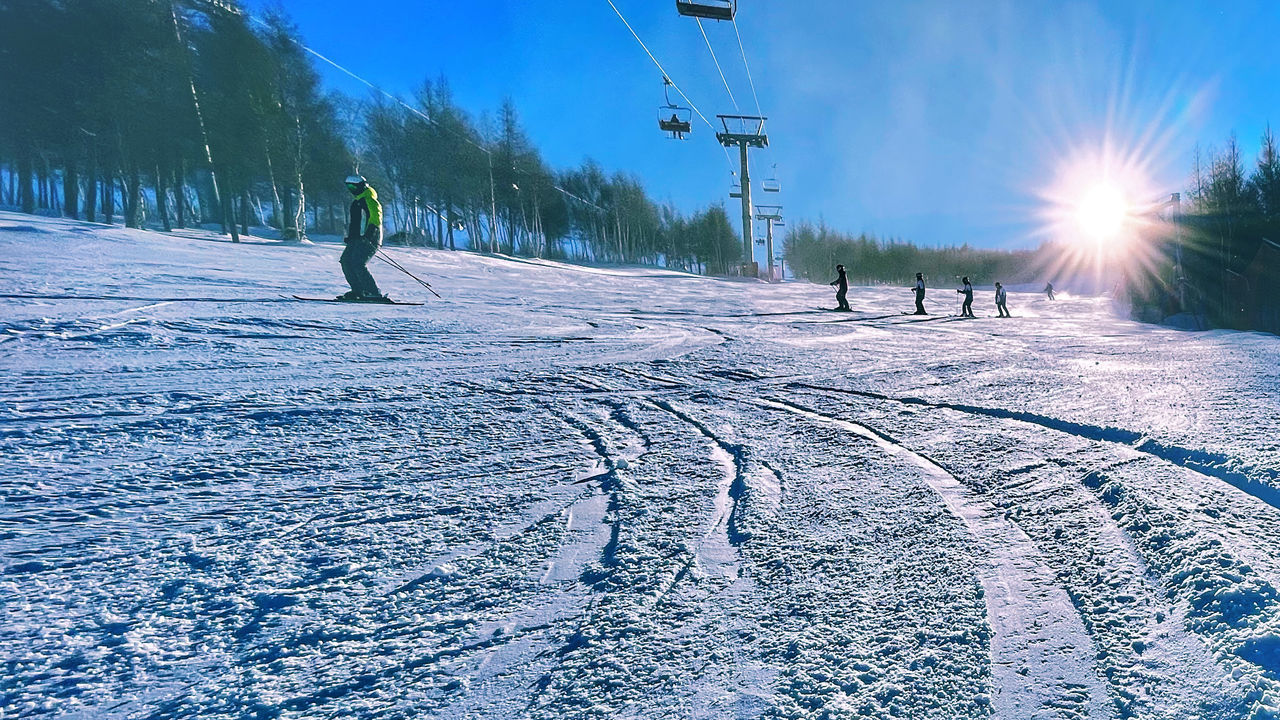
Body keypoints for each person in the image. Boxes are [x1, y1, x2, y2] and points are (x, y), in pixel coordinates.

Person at [338, 174, 386, 301]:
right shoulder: (357, 202)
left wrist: (370, 234)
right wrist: (351, 237)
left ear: (361, 186)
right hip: (357, 239)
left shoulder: (369, 199)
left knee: (358, 263)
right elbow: (355, 223)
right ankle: (358, 291)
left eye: (354, 186)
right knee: (346, 261)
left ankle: (372, 292)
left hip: (370, 237)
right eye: (349, 186)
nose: (351, 189)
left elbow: (376, 218)